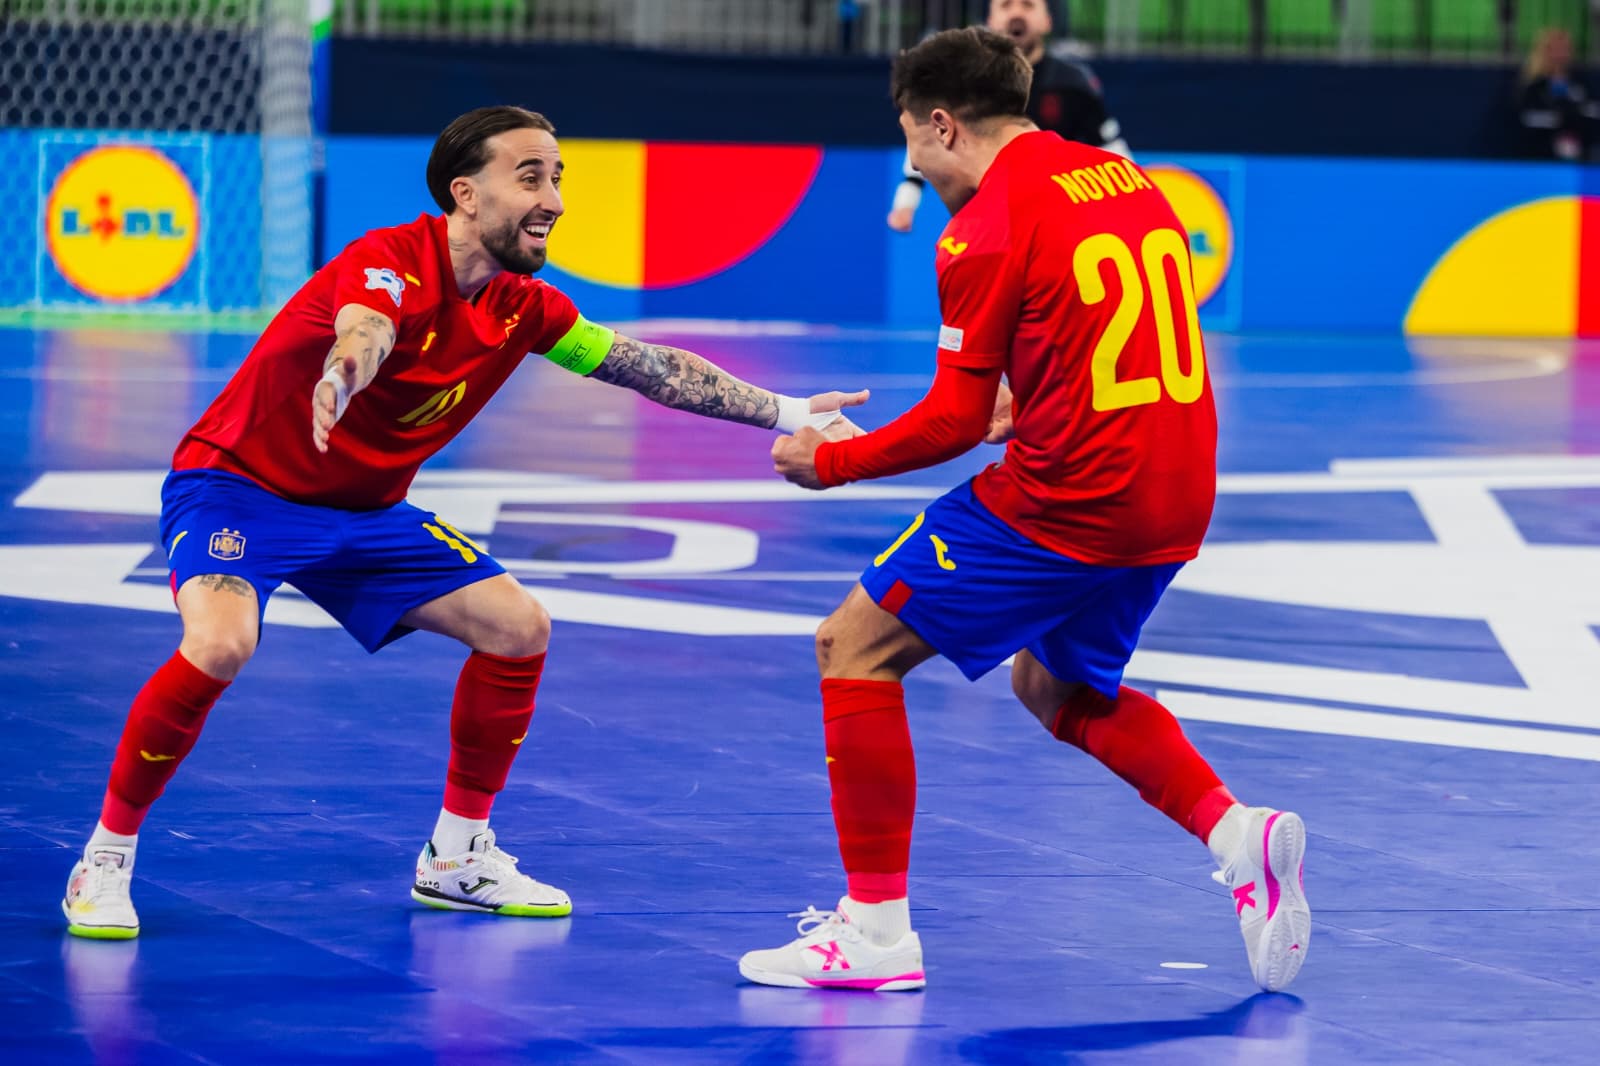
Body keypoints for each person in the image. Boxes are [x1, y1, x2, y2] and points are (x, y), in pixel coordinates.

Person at [60, 105, 866, 940]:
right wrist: (343, 377)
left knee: (518, 627)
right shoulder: (390, 262)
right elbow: (366, 329)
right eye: (530, 177)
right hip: (241, 490)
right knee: (222, 642)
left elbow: (652, 368)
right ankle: (106, 856)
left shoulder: (525, 310)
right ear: (466, 193)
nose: (552, 197)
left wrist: (791, 410)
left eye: (558, 178)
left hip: (367, 512)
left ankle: (456, 858)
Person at [745, 27, 1310, 993]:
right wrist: (1043, 396)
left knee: (854, 649)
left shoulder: (982, 228)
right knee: (1056, 690)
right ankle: (1235, 832)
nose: (916, 164)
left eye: (912, 142)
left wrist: (831, 462)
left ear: (940, 123)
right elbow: (1114, 336)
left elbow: (952, 422)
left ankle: (875, 935)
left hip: (1073, 498)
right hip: (1174, 490)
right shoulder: (1127, 181)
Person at [888, 0, 1129, 232]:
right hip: (986, 223)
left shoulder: (1074, 83)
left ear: (1047, 21)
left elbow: (1110, 146)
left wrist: (1132, 201)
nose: (1016, 13)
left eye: (1027, 4)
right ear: (990, 20)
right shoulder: (968, 81)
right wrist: (906, 201)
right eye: (1005, 5)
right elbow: (927, 136)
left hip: (1057, 220)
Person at [1517, 27, 1600, 162]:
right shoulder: (1534, 86)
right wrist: (1561, 118)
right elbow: (1528, 118)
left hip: (1582, 153)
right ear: (1544, 51)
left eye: (1564, 49)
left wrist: (1575, 115)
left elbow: (1591, 110)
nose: (1560, 54)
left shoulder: (1581, 82)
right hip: (1540, 155)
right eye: (1555, 49)